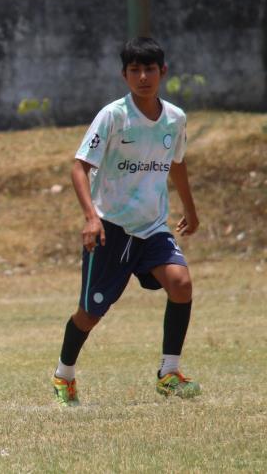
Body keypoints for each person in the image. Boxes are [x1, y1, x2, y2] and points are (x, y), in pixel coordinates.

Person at [52, 37, 201, 406]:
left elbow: (177, 163)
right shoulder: (113, 116)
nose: (143, 77)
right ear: (125, 75)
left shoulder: (175, 118)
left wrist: (190, 208)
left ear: (162, 72)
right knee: (90, 313)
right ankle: (63, 374)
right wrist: (91, 218)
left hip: (152, 226)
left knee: (180, 284)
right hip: (111, 228)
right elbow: (79, 167)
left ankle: (168, 373)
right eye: (134, 70)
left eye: (150, 69)